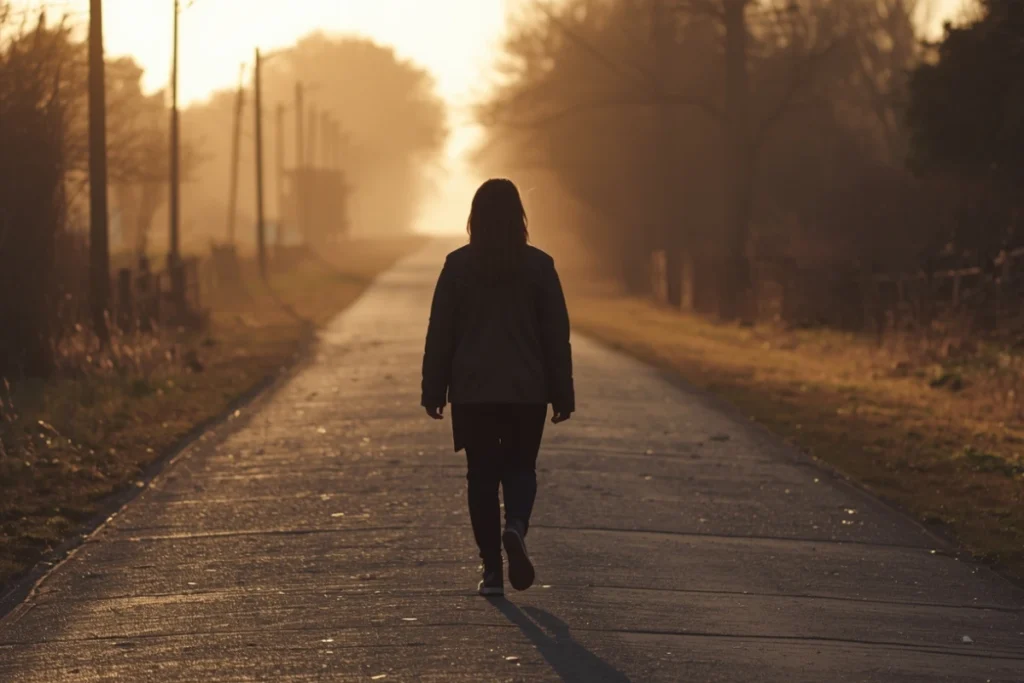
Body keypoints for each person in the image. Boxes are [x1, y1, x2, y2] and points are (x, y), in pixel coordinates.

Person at [421, 178, 575, 597]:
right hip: (527, 390)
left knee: (482, 478)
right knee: (521, 467)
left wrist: (433, 390)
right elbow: (555, 335)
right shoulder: (540, 267)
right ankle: (516, 527)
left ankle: (491, 571)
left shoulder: (457, 266)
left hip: (473, 392)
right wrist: (562, 394)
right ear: (519, 218)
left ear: (474, 218)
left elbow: (441, 333)